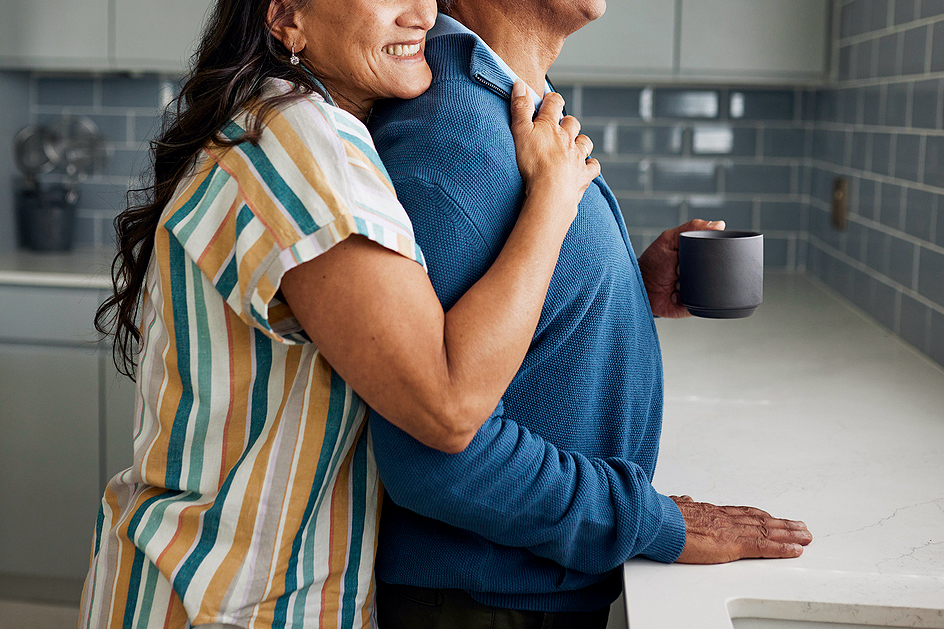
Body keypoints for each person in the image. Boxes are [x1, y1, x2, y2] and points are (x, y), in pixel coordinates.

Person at [79, 0, 601, 626]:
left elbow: (417, 320)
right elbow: (449, 403)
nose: (425, 15)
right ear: (286, 19)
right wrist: (552, 198)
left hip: (211, 582)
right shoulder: (300, 144)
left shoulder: (283, 121)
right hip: (224, 601)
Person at [366, 1, 814, 626]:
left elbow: (498, 320)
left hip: (521, 588)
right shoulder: (450, 133)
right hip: (488, 601)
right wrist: (653, 522)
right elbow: (432, 459)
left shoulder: (511, 102)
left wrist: (622, 287)